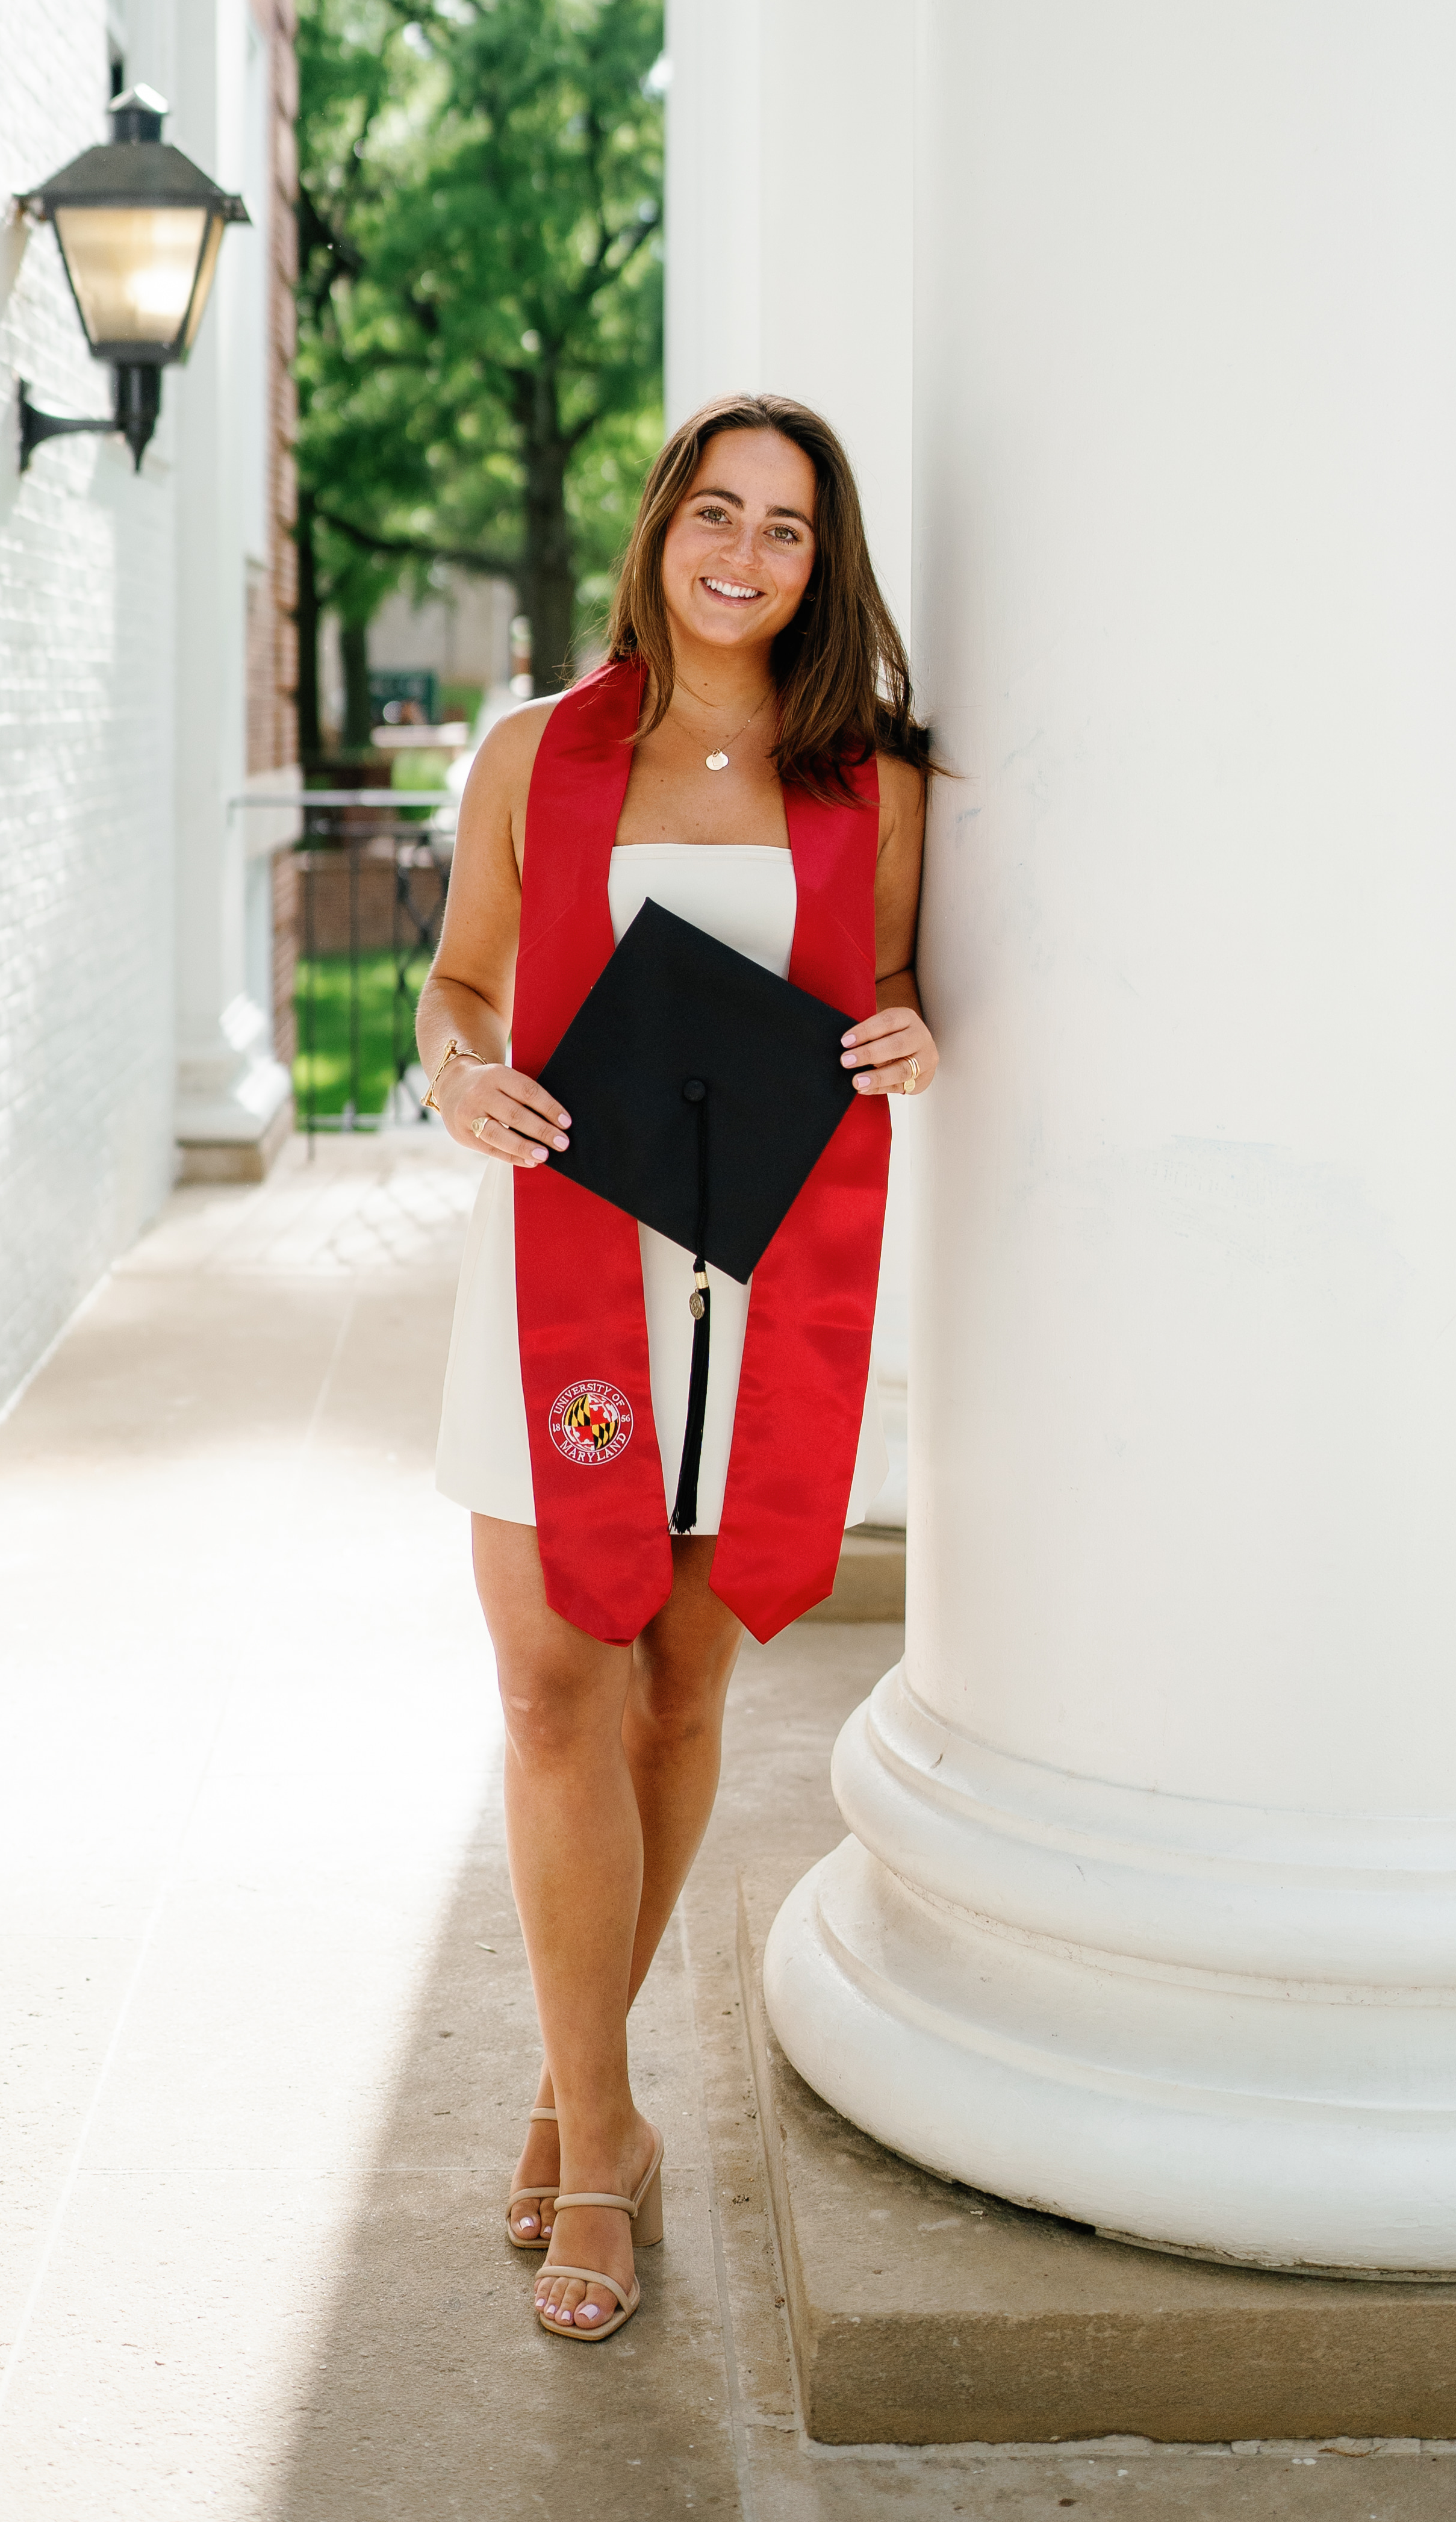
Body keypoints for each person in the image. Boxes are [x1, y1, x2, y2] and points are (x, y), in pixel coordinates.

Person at [417, 396, 937, 2344]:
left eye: (788, 528)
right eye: (715, 510)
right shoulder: (539, 755)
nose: (744, 551)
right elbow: (465, 976)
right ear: (659, 529)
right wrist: (463, 1069)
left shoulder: (870, 784)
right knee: (557, 1694)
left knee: (673, 1698)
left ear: (825, 564)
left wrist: (907, 1037)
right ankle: (613, 2128)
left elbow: (882, 985)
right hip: (565, 1269)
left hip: (754, 1298)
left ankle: (578, 2096)